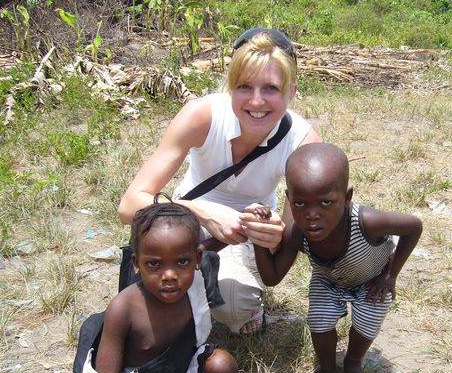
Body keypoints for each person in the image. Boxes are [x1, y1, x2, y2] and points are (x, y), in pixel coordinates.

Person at [118, 28, 321, 335]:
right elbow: (129, 205)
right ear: (230, 87)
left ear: (291, 92)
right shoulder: (202, 116)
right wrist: (202, 212)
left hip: (246, 232)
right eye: (244, 86)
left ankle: (237, 299)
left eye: (270, 88)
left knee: (234, 306)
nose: (256, 101)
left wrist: (275, 235)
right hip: (187, 213)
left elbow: (299, 236)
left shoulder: (303, 144)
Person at [67, 202, 238, 373]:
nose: (169, 275)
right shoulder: (124, 308)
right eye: (154, 264)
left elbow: (212, 244)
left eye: (182, 262)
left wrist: (246, 225)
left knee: (223, 365)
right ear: (137, 263)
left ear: (196, 259)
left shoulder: (196, 282)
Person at [249, 143, 423, 373]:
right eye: (300, 203)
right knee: (319, 323)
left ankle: (353, 363)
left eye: (326, 202)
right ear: (288, 198)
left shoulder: (367, 222)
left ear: (347, 196)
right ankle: (327, 371)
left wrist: (390, 275)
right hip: (328, 280)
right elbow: (272, 277)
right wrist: (258, 236)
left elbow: (414, 227)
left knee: (366, 324)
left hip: (372, 280)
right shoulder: (297, 232)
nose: (312, 215)